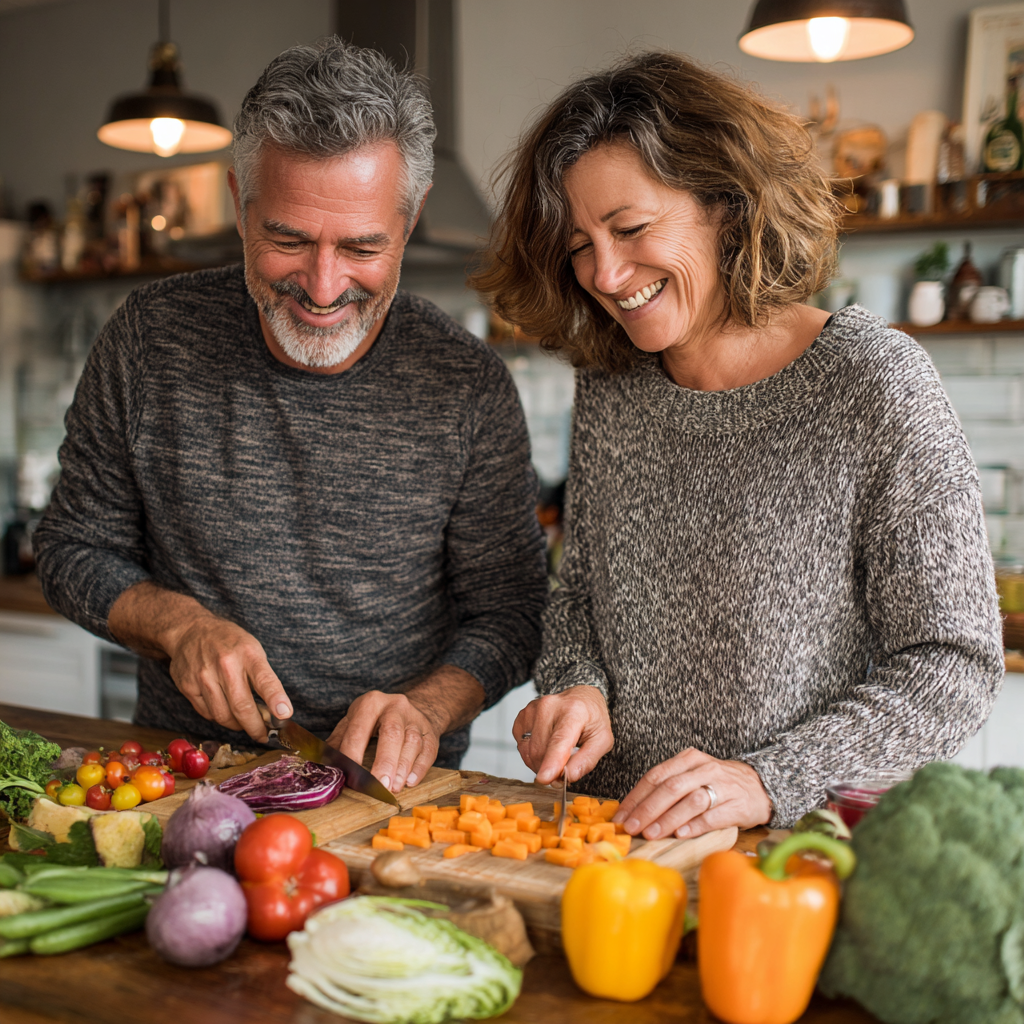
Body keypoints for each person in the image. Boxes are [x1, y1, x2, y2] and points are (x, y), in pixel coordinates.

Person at [472, 52, 1004, 838]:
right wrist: (577, 686)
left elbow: (953, 664)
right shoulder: (612, 383)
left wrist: (770, 779)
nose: (607, 273)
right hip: (608, 843)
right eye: (580, 243)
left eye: (631, 228)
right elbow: (582, 593)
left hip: (789, 859)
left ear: (727, 205)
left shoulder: (873, 382)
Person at [34, 38, 548, 793]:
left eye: (363, 246)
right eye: (288, 238)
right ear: (242, 209)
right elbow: (71, 547)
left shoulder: (466, 384)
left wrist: (427, 709)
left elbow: (513, 610)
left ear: (409, 221)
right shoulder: (149, 340)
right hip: (182, 780)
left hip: (393, 793)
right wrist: (180, 628)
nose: (323, 284)